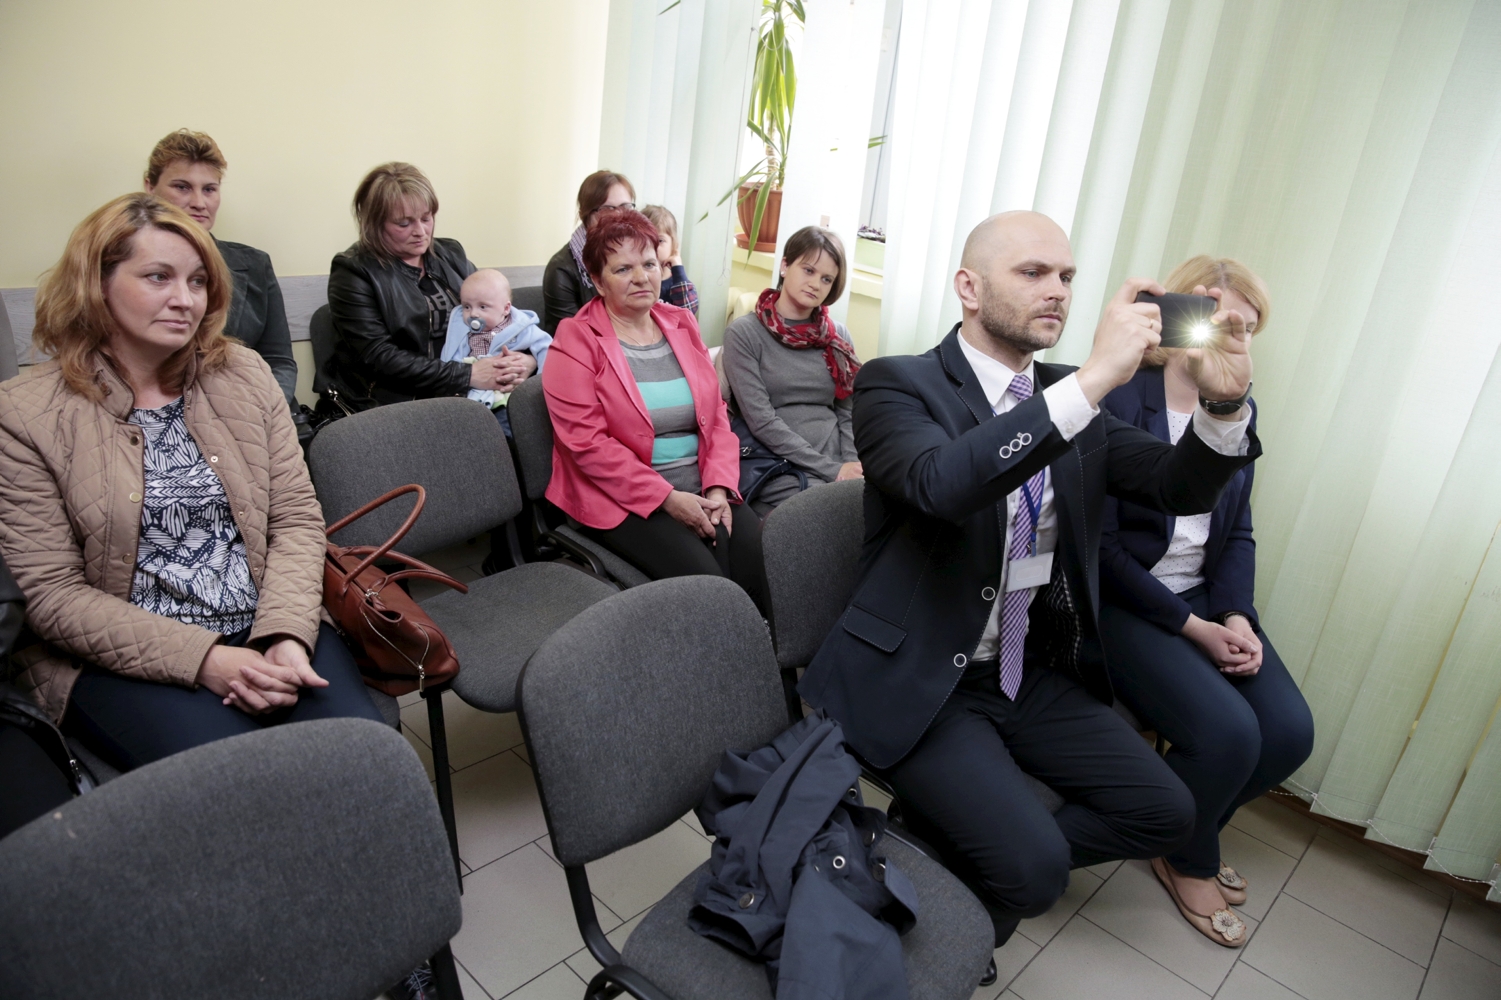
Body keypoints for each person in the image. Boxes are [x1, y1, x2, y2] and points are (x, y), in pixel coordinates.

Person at [798, 211, 1262, 950]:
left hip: (1021, 671)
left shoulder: (1069, 398)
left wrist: (1223, 406)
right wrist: (1094, 379)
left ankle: (953, 855)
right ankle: (994, 868)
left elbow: (1177, 486)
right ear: (969, 288)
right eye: (1033, 272)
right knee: (1035, 874)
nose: (1058, 291)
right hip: (923, 676)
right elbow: (942, 484)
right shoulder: (898, 383)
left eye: (1068, 277)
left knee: (1166, 812)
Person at [0, 193, 385, 771]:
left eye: (198, 281)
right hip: (125, 655)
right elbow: (51, 594)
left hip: (267, 619)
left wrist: (285, 635)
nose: (185, 299)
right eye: (158, 277)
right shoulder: (25, 413)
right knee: (239, 787)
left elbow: (296, 521)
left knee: (366, 760)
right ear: (96, 284)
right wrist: (206, 660)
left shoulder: (244, 374)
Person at [1098, 255, 1313, 947]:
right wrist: (1193, 628)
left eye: (1244, 329)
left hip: (1202, 599)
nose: (1227, 338)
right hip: (1127, 602)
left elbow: (1237, 530)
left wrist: (1236, 615)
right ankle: (1188, 857)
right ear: (1177, 316)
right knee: (1229, 733)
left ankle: (1182, 830)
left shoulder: (1237, 409)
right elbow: (1100, 550)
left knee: (1289, 732)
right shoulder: (1119, 395)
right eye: (1216, 321)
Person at [542, 211, 763, 603]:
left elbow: (716, 418)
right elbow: (588, 445)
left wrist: (717, 488)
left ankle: (761, 644)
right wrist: (668, 498)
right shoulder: (575, 340)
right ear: (598, 281)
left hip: (701, 481)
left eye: (649, 264)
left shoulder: (681, 323)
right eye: (623, 269)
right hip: (621, 498)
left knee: (759, 562)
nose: (641, 277)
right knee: (709, 587)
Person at [142, 129, 310, 443]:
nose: (198, 202)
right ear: (150, 187)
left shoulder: (255, 264)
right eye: (182, 187)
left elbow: (279, 361)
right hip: (161, 428)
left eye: (209, 189)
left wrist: (258, 415)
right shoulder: (125, 268)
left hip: (253, 421)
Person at [322, 162, 522, 411]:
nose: (420, 232)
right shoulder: (353, 271)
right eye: (403, 224)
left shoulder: (450, 253)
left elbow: (498, 313)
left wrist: (523, 359)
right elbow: (380, 356)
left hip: (463, 387)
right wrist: (466, 374)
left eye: (426, 218)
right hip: (396, 400)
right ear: (375, 223)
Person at [720, 225, 862, 515]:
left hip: (836, 457)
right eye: (808, 270)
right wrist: (832, 470)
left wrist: (851, 463)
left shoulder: (837, 337)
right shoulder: (744, 334)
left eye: (826, 279)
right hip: (778, 463)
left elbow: (848, 411)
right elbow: (762, 422)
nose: (815, 284)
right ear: (785, 266)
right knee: (837, 515)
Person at [440, 268, 553, 436]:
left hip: (506, 393)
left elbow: (546, 348)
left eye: (483, 307)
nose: (473, 314)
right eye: (466, 307)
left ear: (506, 309)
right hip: (474, 393)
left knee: (507, 428)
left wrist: (541, 385)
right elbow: (451, 358)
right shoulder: (463, 332)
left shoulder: (520, 328)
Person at [541, 170, 636, 333]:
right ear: (584, 215)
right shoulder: (561, 269)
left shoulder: (636, 256)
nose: (618, 217)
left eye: (625, 207)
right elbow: (574, 336)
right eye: (607, 209)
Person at [640, 205, 699, 315]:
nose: (653, 246)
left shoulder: (678, 282)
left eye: (660, 240)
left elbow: (689, 311)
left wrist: (678, 271)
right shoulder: (639, 279)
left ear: (673, 245)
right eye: (646, 239)